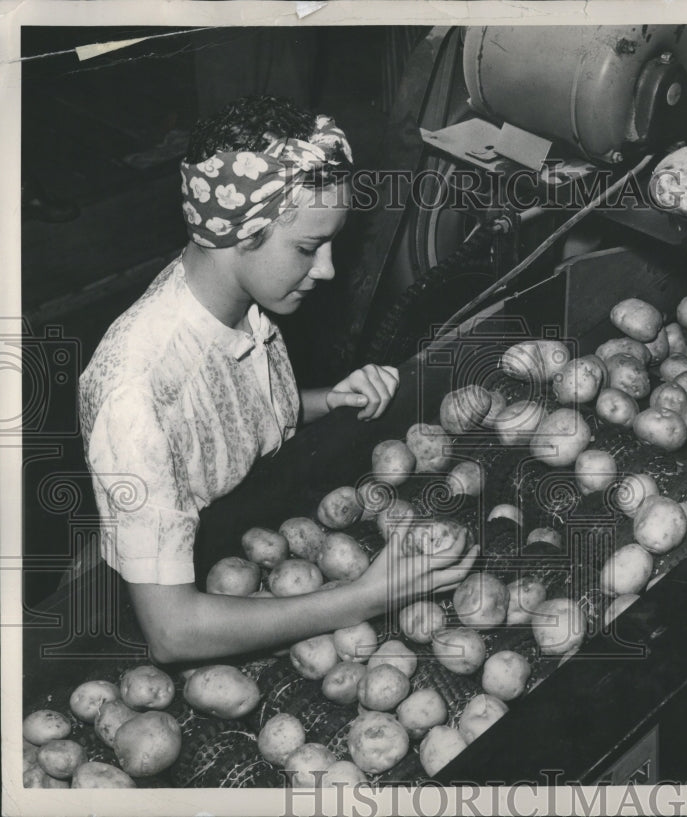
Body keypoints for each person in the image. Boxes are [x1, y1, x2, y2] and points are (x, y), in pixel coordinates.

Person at [79, 96, 477, 665]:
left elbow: (234, 418)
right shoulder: (136, 393)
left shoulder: (244, 296)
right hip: (148, 611)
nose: (328, 270)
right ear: (241, 234)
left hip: (247, 548)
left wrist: (323, 400)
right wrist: (364, 596)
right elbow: (172, 633)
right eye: (309, 248)